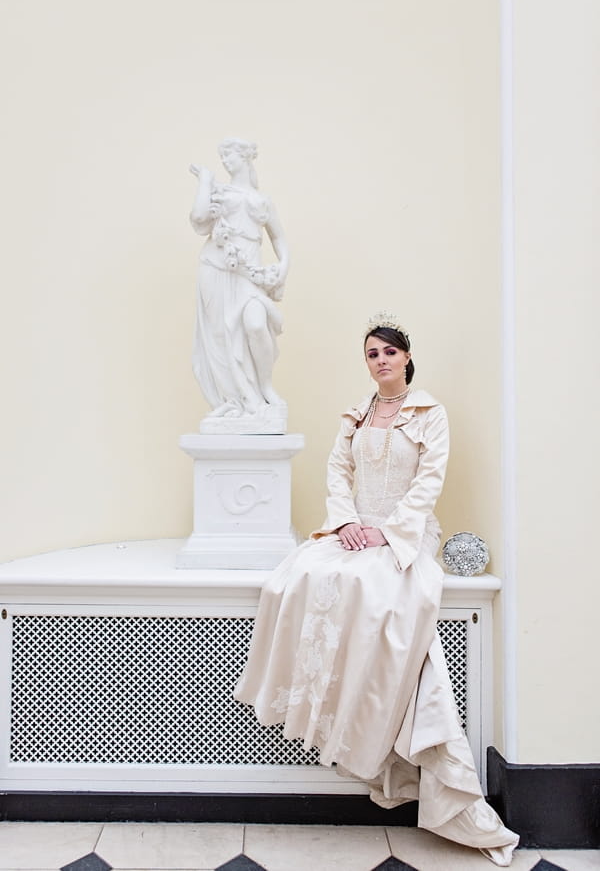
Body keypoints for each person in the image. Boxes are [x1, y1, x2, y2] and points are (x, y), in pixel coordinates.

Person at [234, 313, 519, 866]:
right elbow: (337, 473)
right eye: (372, 354)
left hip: (404, 535)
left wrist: (386, 533)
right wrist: (346, 523)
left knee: (377, 597)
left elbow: (428, 482)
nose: (381, 361)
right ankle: (325, 708)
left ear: (406, 358)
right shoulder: (356, 414)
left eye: (389, 352)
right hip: (353, 529)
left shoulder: (429, 415)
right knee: (293, 579)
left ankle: (384, 734)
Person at [190, 138, 289, 420]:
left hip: (249, 274)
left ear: (245, 157)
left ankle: (265, 388)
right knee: (220, 334)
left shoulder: (262, 200)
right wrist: (205, 182)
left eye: (228, 155)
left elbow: (279, 238)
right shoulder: (219, 191)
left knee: (256, 325)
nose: (224, 161)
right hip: (216, 267)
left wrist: (283, 266)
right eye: (221, 157)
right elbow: (198, 221)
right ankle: (236, 400)